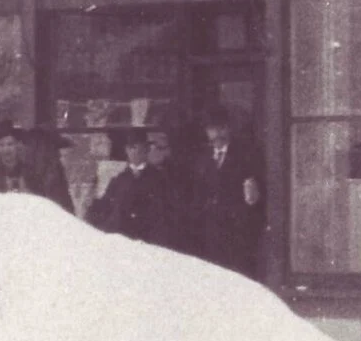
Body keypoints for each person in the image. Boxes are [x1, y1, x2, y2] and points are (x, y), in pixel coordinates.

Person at [187, 113, 266, 275]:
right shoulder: (202, 159)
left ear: (228, 129)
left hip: (236, 229)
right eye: (212, 130)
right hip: (211, 228)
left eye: (220, 129)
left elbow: (254, 194)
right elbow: (198, 193)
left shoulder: (245, 155)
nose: (216, 134)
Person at [88, 130, 177, 248]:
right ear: (126, 150)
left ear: (147, 150)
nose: (134, 152)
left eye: (138, 148)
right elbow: (106, 208)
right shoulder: (118, 180)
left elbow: (167, 211)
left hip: (150, 241)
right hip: (122, 240)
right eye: (131, 148)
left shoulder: (159, 179)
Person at [0, 124, 73, 212]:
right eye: (2, 145)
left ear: (17, 146)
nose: (6, 149)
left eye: (10, 144)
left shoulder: (32, 175)